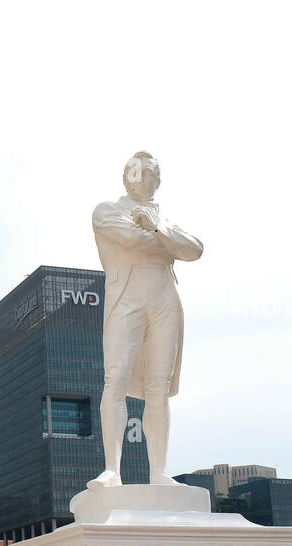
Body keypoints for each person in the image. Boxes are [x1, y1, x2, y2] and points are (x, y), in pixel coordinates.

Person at [89, 151, 204, 489]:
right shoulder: (106, 211)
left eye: (149, 172)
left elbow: (194, 250)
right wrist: (165, 243)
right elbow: (133, 241)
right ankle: (112, 470)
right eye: (135, 172)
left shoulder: (166, 220)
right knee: (116, 378)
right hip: (127, 298)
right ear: (126, 177)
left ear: (158, 180)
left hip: (164, 300)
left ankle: (158, 473)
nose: (142, 178)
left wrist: (157, 228)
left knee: (159, 385)